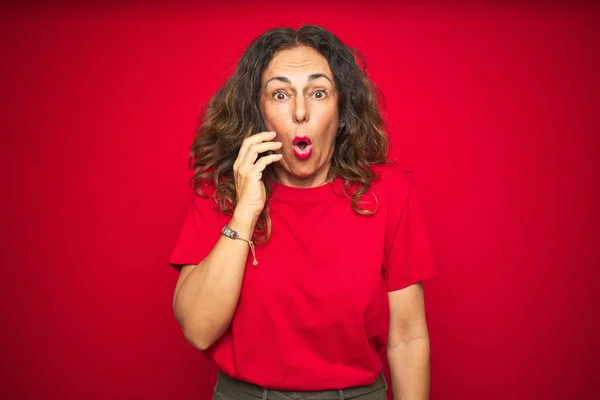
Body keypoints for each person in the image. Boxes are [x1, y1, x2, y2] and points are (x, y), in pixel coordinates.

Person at [169, 25, 439, 400]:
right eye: (280, 94)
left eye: (317, 93)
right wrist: (245, 211)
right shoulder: (224, 188)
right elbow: (198, 329)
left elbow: (407, 337)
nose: (299, 111)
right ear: (259, 114)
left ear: (342, 110)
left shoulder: (389, 193)